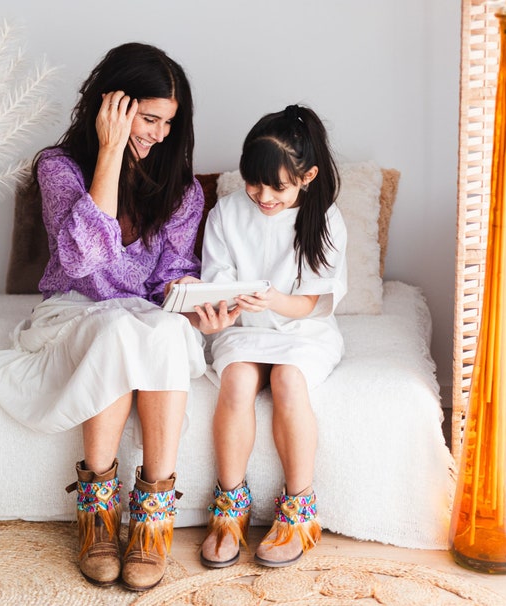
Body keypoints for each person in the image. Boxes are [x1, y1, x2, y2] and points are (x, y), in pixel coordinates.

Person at [0, 42, 205, 592]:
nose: (159, 135)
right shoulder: (58, 168)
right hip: (73, 310)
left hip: (141, 315)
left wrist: (192, 295)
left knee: (166, 328)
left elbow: (170, 275)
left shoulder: (183, 189)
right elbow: (81, 259)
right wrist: (109, 154)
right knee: (117, 328)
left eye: (168, 123)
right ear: (113, 105)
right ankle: (98, 516)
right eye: (148, 119)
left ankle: (153, 516)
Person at [194, 104, 347, 569]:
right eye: (253, 183)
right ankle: (229, 509)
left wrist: (274, 299)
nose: (262, 196)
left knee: (287, 380)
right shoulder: (227, 212)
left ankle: (299, 509)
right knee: (237, 380)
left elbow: (313, 303)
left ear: (307, 177)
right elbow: (217, 280)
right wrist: (222, 308)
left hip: (303, 329)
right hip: (245, 328)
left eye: (277, 187)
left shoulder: (325, 219)